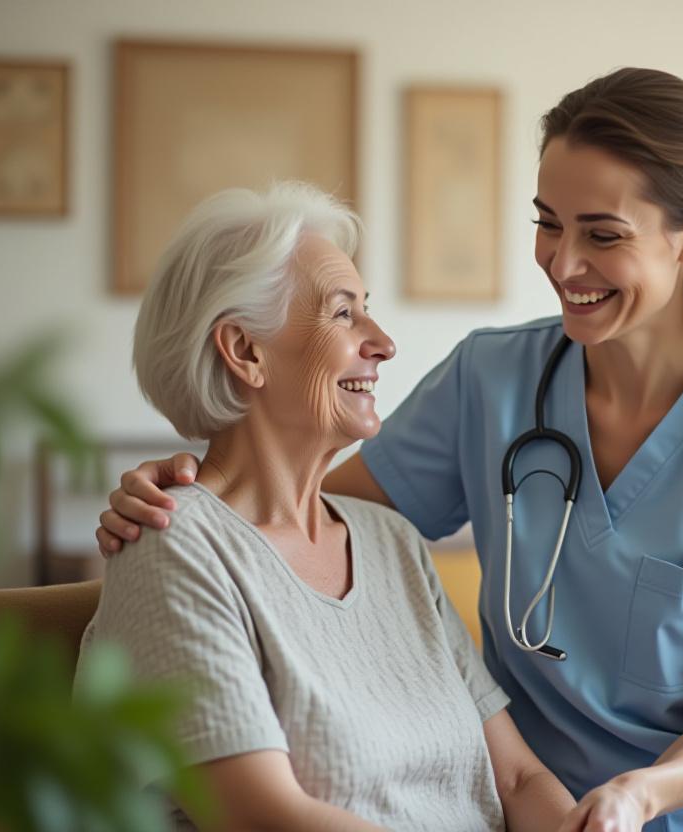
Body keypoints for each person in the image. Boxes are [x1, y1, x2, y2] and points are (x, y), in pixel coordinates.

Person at [98, 68, 683, 832]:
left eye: (602, 234)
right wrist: (185, 490)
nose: (563, 263)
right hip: (534, 809)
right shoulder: (491, 381)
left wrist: (637, 796)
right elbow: (294, 526)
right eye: (548, 223)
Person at [77, 182, 575, 831]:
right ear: (245, 351)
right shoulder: (174, 545)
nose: (384, 342)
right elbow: (265, 817)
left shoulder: (393, 541)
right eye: (344, 314)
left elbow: (516, 778)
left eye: (368, 310)